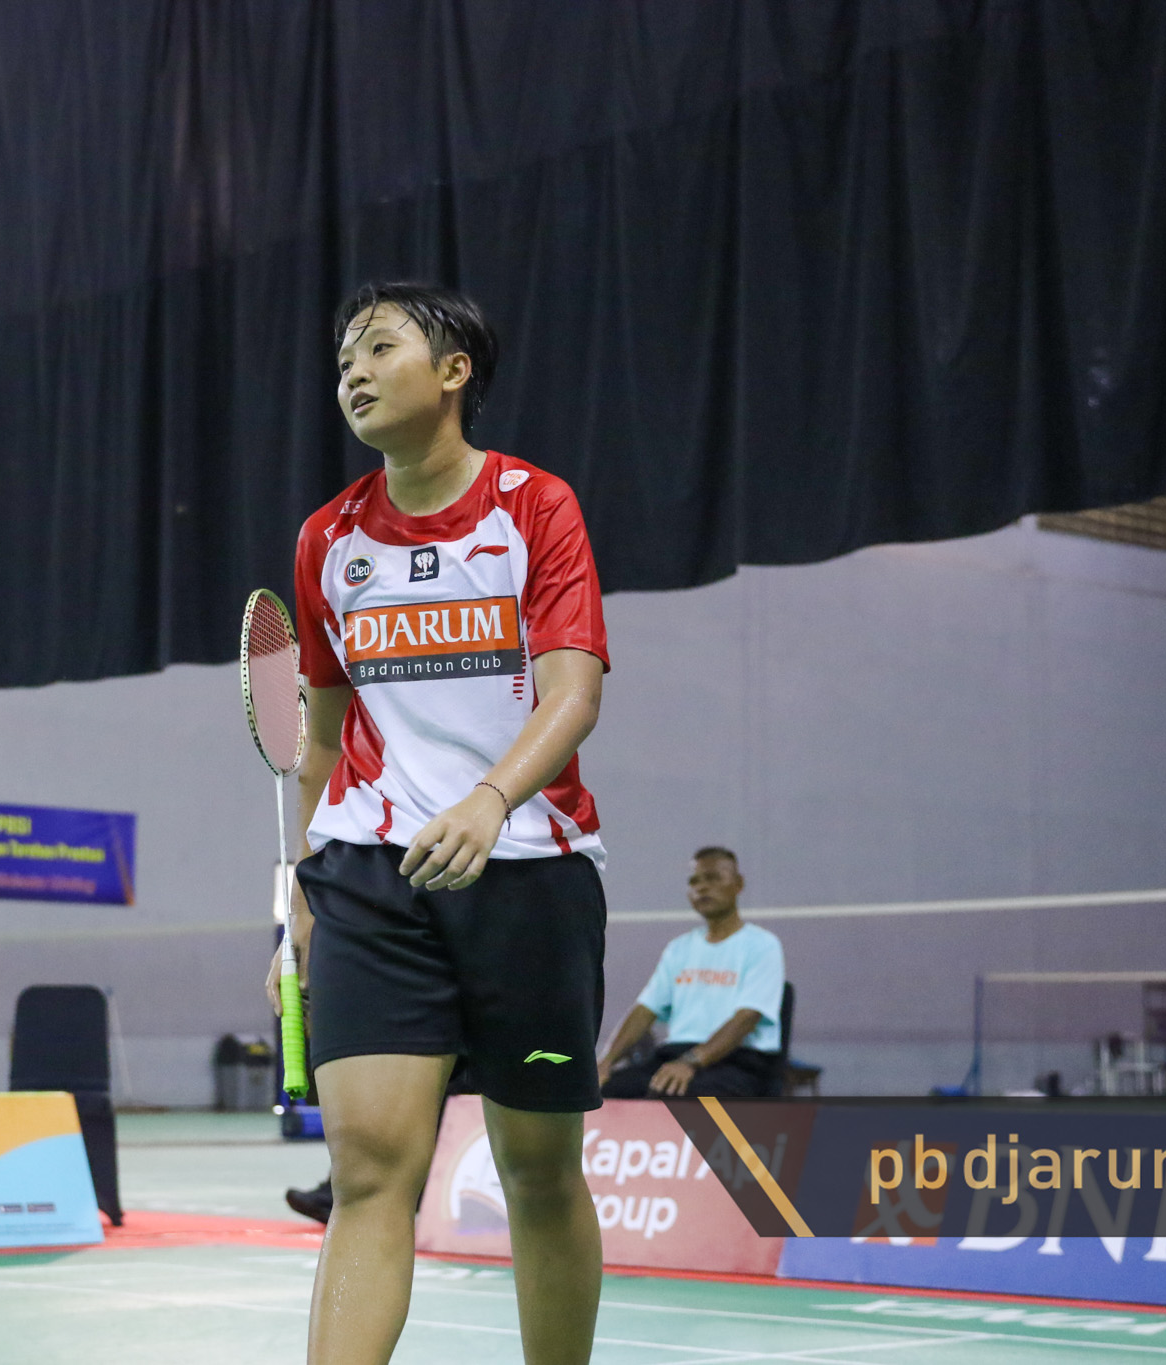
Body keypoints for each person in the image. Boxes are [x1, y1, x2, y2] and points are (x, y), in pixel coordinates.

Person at [272, 282, 610, 1364]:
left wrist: (490, 797)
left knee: (539, 1173)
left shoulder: (534, 506)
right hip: (371, 876)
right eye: (343, 362)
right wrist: (301, 897)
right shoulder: (327, 539)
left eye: (379, 349)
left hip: (528, 869)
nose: (353, 375)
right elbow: (322, 742)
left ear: (454, 371)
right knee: (368, 1171)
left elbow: (572, 693)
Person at [597, 847, 786, 1099]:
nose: (702, 887)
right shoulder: (679, 949)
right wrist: (605, 1062)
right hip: (676, 1054)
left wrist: (691, 1062)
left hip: (736, 1061)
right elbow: (645, 1010)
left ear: (738, 884)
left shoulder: (763, 945)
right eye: (694, 881)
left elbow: (747, 1017)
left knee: (673, 1093)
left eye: (713, 878)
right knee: (606, 1091)